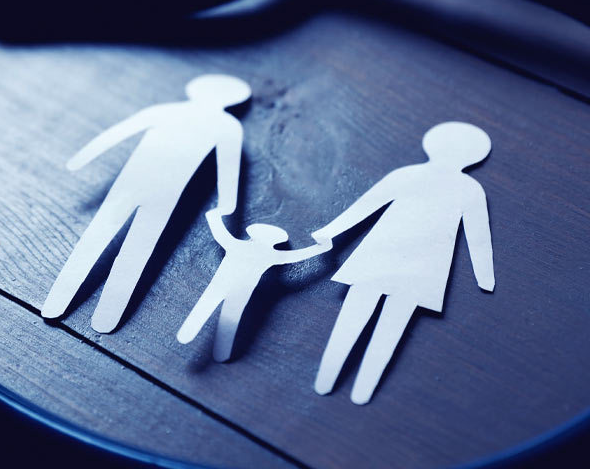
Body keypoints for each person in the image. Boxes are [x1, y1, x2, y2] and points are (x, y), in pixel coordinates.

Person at [42, 75, 250, 334]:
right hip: (159, 191)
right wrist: (227, 204)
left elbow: (118, 133)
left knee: (100, 239)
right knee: (134, 248)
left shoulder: (175, 112)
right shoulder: (227, 126)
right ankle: (97, 314)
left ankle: (75, 308)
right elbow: (229, 166)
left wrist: (83, 158)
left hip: (144, 187)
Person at [311, 121, 495, 405]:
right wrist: (484, 277)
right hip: (415, 264)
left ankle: (339, 382)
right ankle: (348, 385)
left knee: (365, 321)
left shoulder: (415, 176)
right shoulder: (468, 188)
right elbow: (477, 234)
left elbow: (477, 233)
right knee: (386, 327)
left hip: (396, 259)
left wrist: (330, 232)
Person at [177, 209, 332, 362]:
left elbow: (219, 232)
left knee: (205, 307)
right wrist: (322, 246)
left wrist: (214, 216)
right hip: (240, 291)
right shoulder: (273, 255)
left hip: (223, 285)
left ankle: (190, 335)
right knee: (229, 316)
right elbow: (300, 255)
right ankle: (219, 352)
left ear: (253, 234)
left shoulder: (238, 245)